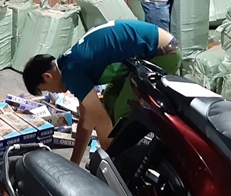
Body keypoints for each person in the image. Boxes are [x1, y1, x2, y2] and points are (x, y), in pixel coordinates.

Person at [22, 20, 181, 164]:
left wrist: (108, 163)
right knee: (110, 100)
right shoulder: (69, 61)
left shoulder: (70, 72)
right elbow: (87, 120)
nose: (53, 92)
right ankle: (123, 160)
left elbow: (101, 121)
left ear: (47, 76)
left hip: (163, 54)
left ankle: (129, 168)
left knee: (123, 109)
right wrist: (74, 165)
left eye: (45, 89)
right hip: (145, 56)